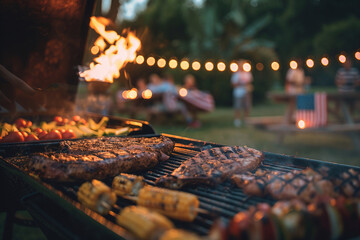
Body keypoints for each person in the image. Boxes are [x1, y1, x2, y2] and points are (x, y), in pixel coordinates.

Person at [231, 60, 253, 127]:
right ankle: (237, 120)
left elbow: (249, 82)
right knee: (238, 107)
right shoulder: (235, 74)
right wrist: (241, 84)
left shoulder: (248, 73)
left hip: (246, 92)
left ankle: (246, 119)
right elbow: (233, 84)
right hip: (238, 93)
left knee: (247, 106)